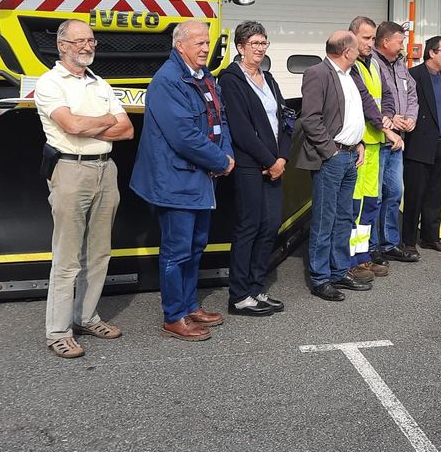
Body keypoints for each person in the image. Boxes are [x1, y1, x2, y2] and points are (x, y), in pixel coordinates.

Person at [33, 19, 133, 359]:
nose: (87, 46)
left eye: (91, 41)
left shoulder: (99, 83)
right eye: (79, 41)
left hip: (106, 169)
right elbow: (71, 125)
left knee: (99, 252)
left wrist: (91, 125)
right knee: (67, 257)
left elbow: (127, 130)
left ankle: (87, 317)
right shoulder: (49, 83)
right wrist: (104, 120)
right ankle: (58, 331)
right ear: (62, 45)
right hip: (70, 169)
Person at [130, 20, 234, 341]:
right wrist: (219, 160)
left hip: (201, 177)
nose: (205, 48)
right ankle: (174, 316)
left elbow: (221, 119)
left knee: (196, 245)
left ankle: (190, 305)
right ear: (180, 45)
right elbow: (183, 137)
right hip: (177, 181)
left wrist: (225, 154)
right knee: (177, 251)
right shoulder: (167, 82)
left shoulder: (205, 78)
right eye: (198, 43)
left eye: (207, 42)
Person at [217, 21, 290, 317]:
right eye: (254, 44)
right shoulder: (231, 79)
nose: (260, 49)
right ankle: (239, 295)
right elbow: (241, 129)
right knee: (249, 226)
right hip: (249, 165)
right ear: (240, 47)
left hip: (275, 164)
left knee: (270, 225)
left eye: (263, 43)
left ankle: (257, 288)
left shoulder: (269, 78)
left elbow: (286, 117)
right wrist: (269, 161)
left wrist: (282, 158)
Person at [294, 31, 371, 301]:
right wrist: (331, 152)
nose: (362, 48)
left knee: (343, 217)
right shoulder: (318, 73)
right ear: (347, 51)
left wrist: (358, 142)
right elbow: (310, 119)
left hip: (350, 155)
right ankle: (320, 278)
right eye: (357, 45)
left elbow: (350, 114)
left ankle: (339, 271)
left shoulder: (350, 75)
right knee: (325, 220)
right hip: (333, 157)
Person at [346, 16, 399, 282]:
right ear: (352, 36)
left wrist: (388, 115)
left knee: (370, 204)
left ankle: (364, 256)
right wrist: (385, 125)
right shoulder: (351, 66)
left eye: (372, 38)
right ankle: (351, 260)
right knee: (354, 208)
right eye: (366, 38)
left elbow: (386, 95)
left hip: (376, 144)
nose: (370, 43)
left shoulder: (374, 64)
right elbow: (365, 102)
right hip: (360, 147)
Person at [402, 36, 441, 254]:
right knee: (415, 194)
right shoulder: (414, 76)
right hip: (419, 144)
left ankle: (430, 237)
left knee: (436, 193)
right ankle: (407, 241)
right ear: (432, 52)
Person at [371, 21, 419, 263]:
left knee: (394, 193)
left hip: (397, 141)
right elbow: (369, 99)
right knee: (376, 196)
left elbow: (412, 92)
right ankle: (371, 247)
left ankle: (389, 243)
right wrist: (390, 119)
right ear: (385, 42)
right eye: (399, 41)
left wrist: (410, 117)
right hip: (378, 139)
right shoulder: (370, 63)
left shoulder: (400, 64)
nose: (403, 46)